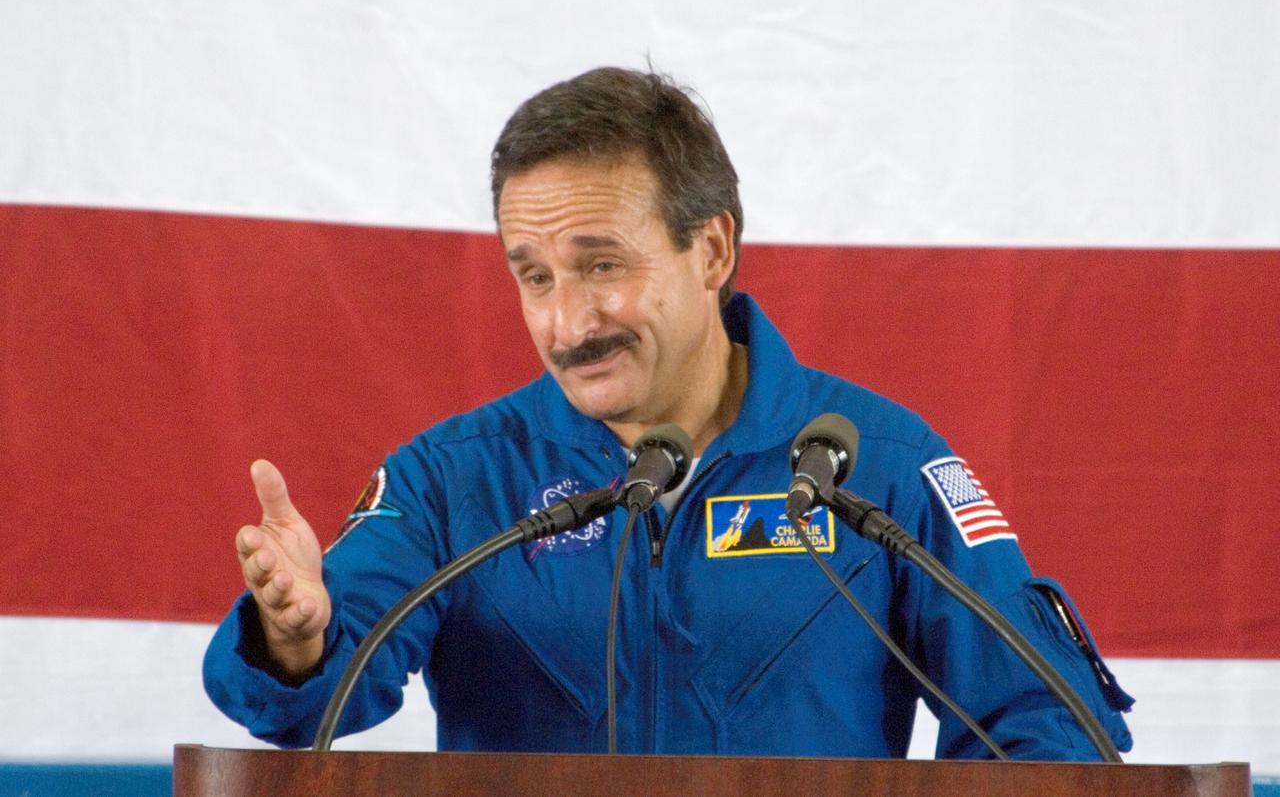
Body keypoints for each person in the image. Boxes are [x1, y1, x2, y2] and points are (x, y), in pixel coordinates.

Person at [204, 66, 1133, 758]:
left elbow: (1048, 726)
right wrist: (294, 642)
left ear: (712, 249)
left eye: (602, 265)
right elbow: (308, 700)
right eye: (536, 277)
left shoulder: (878, 464)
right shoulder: (453, 480)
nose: (568, 323)